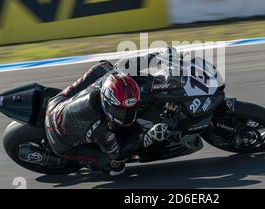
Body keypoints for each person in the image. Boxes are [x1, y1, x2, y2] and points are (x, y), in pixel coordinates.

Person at [41, 57, 170, 176]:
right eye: (121, 111)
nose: (127, 114)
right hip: (59, 139)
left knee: (103, 66)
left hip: (58, 101)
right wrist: (145, 138)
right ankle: (90, 163)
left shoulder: (110, 78)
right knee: (116, 166)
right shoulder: (100, 126)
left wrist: (158, 57)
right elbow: (118, 152)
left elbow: (126, 64)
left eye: (131, 109)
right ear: (107, 103)